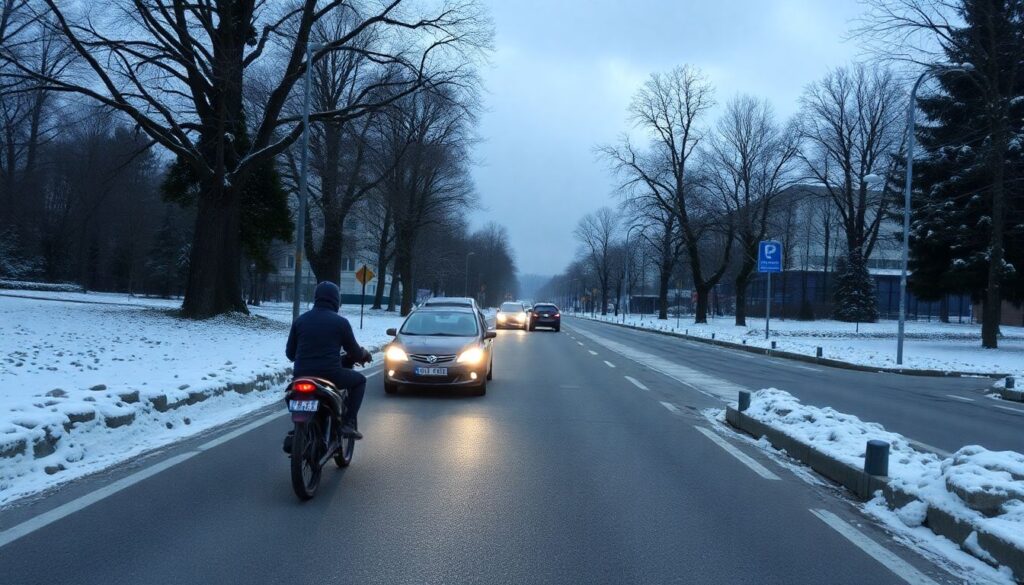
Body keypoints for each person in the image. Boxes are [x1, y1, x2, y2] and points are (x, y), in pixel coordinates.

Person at [286, 281, 371, 440]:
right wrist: (363, 355)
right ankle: (348, 423)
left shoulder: (300, 320)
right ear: (336, 300)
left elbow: (290, 354)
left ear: (316, 298)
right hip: (330, 375)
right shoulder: (340, 323)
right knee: (360, 381)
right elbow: (354, 352)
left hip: (301, 375)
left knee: (292, 394)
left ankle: (298, 428)